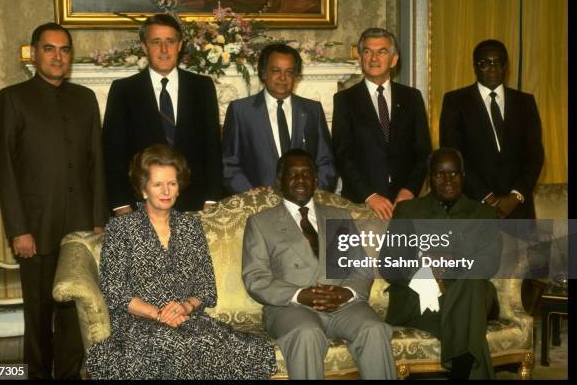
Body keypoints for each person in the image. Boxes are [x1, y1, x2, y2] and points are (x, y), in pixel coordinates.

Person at [86, 144, 277, 379]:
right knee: (174, 346)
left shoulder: (190, 227)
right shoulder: (121, 228)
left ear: (179, 188)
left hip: (187, 318)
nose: (166, 191)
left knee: (244, 349)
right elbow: (115, 292)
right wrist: (158, 314)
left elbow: (206, 288)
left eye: (172, 184)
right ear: (144, 189)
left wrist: (185, 307)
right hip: (138, 323)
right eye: (158, 184)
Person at [0, 22, 108, 379]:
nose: (58, 56)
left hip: (80, 228)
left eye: (65, 50)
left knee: (76, 309)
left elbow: (96, 162)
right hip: (35, 228)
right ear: (35, 52)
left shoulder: (85, 98)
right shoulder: (12, 99)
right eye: (50, 49)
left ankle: (70, 374)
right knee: (39, 313)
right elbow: (3, 169)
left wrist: (99, 219)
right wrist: (18, 229)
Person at [242, 148, 397, 379]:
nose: (300, 180)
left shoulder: (339, 215)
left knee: (375, 330)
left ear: (315, 181)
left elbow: (361, 268)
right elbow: (255, 278)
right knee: (307, 334)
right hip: (291, 308)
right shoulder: (261, 223)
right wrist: (300, 295)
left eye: (306, 174)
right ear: (279, 182)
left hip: (344, 305)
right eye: (293, 174)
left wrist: (346, 292)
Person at [380, 148, 501, 379]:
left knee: (473, 285)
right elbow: (388, 264)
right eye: (439, 174)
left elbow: (489, 263)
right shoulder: (408, 211)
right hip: (420, 299)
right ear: (428, 178)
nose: (448, 180)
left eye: (454, 173)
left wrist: (452, 268)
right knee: (467, 322)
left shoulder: (482, 213)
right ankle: (462, 369)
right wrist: (424, 270)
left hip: (471, 293)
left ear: (464, 176)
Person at [103, 13, 222, 214]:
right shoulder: (123, 90)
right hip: (139, 206)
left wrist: (211, 200)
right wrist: (121, 205)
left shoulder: (202, 87)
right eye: (156, 42)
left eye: (170, 41)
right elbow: (113, 153)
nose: (164, 49)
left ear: (180, 44)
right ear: (144, 46)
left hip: (194, 205)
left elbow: (212, 148)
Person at [332, 27, 431, 220]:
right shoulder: (344, 100)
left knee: (404, 250)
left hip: (405, 204)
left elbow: (423, 152)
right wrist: (370, 196)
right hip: (361, 204)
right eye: (367, 51)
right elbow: (342, 155)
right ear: (360, 59)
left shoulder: (412, 97)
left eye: (382, 51)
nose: (374, 58)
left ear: (394, 60)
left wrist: (409, 190)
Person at [439, 39, 544, 220]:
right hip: (473, 206)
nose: (492, 68)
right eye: (484, 63)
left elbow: (535, 155)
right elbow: (454, 155)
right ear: (474, 66)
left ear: (506, 66)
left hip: (518, 209)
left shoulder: (525, 102)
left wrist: (516, 196)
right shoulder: (455, 101)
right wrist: (487, 197)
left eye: (497, 62)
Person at [222, 43, 335, 194]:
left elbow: (326, 161)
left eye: (289, 72)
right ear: (263, 73)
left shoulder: (312, 110)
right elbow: (229, 164)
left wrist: (314, 190)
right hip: (257, 206)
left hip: (306, 203)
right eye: (276, 71)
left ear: (296, 76)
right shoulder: (240, 111)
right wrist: (252, 194)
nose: (283, 78)